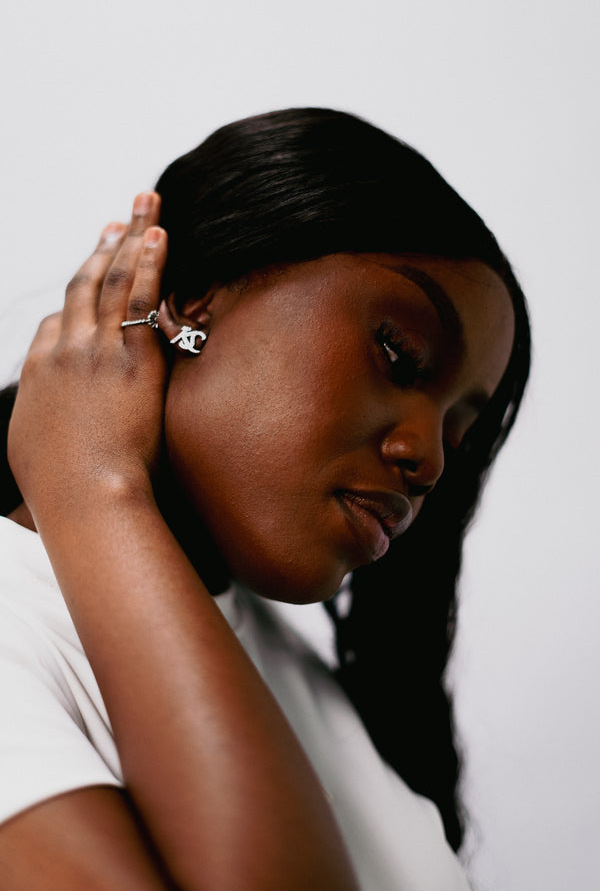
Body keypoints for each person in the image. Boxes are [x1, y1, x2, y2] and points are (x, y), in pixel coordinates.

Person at [0, 108, 530, 890]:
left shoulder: (299, 674)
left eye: (459, 430)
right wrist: (92, 487)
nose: (428, 458)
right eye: (398, 353)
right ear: (193, 300)